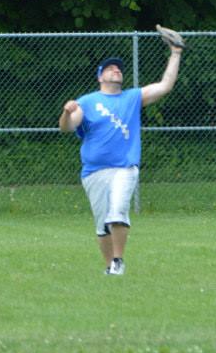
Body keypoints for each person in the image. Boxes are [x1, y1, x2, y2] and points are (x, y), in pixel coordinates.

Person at [59, 36, 184, 275]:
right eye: (110, 68)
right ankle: (110, 266)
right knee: (102, 224)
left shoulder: (132, 98)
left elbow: (165, 86)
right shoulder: (87, 101)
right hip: (93, 172)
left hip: (124, 167)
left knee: (117, 211)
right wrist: (67, 113)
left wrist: (176, 53)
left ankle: (118, 261)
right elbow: (67, 127)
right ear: (100, 77)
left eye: (118, 68)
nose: (116, 69)